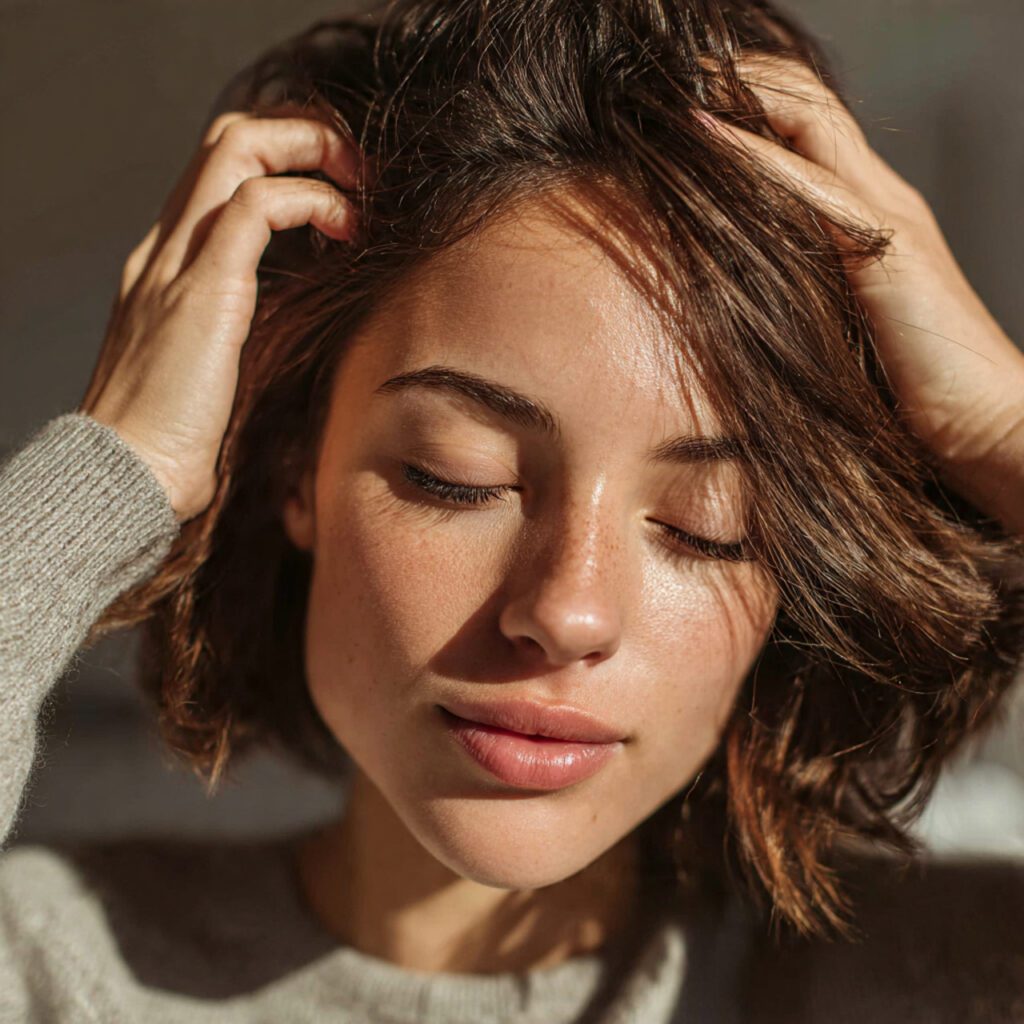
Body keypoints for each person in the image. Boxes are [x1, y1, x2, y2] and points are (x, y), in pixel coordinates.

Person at [2, 0, 1023, 1020]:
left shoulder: (932, 982)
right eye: (460, 475)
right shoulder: (54, 972)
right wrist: (116, 469)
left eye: (708, 523)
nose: (567, 610)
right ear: (293, 465)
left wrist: (996, 427)